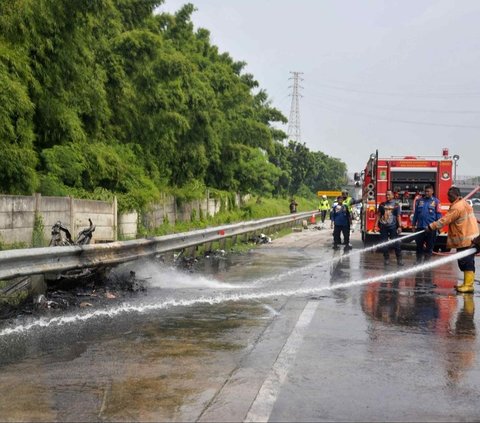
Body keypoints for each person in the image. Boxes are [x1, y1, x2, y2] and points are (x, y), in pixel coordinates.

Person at [426, 186, 479, 292]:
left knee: (466, 261)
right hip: (470, 237)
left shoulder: (457, 207)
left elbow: (445, 220)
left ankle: (468, 285)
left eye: (450, 196)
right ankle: (466, 284)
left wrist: (431, 226)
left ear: (456, 195)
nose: (448, 197)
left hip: (465, 239)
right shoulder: (463, 203)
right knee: (465, 261)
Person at [411, 184, 442, 262]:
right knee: (419, 247)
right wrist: (413, 225)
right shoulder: (419, 201)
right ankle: (418, 263)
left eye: (428, 191)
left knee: (429, 247)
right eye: (425, 191)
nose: (426, 193)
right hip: (420, 228)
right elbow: (416, 214)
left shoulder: (436, 202)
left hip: (431, 228)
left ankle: (426, 264)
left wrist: (439, 227)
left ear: (432, 192)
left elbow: (439, 215)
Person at [374, 189, 404, 266]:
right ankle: (386, 258)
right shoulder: (382, 205)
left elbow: (398, 216)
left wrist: (400, 226)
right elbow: (379, 215)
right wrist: (375, 225)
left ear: (393, 196)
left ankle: (399, 259)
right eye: (386, 194)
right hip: (383, 227)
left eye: (389, 194)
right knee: (384, 244)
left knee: (396, 243)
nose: (387, 196)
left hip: (393, 227)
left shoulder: (396, 205)